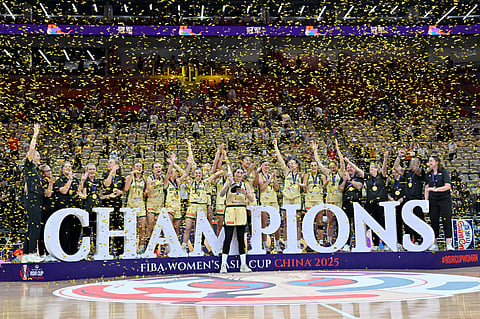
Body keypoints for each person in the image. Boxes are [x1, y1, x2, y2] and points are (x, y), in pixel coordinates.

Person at [345, 151, 389, 251]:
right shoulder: (367, 177)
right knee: (373, 224)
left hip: (382, 203)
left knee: (383, 223)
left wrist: (385, 158)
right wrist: (348, 161)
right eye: (370, 168)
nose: (371, 169)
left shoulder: (382, 176)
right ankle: (376, 243)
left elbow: (385, 168)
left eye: (372, 168)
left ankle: (386, 243)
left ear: (377, 169)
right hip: (371, 203)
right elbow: (356, 168)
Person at [219, 167, 253, 273]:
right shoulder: (228, 182)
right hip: (230, 210)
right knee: (228, 237)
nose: (239, 174)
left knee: (240, 238)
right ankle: (223, 264)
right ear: (234, 174)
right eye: (238, 172)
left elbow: (251, 199)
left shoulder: (245, 185)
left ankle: (243, 264)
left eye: (241, 172)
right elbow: (221, 194)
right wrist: (228, 184)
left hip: (241, 210)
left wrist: (244, 192)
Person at [273, 138, 306, 250]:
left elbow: (305, 187)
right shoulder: (287, 172)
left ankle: (297, 243)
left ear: (297, 165)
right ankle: (286, 243)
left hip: (296, 198)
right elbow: (280, 158)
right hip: (286, 198)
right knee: (286, 223)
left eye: (292, 163)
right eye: (289, 163)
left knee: (297, 222)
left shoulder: (301, 175)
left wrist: (301, 185)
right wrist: (276, 146)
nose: (290, 165)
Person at [182, 166, 222, 254]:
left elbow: (214, 175)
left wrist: (223, 170)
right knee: (187, 227)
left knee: (198, 230)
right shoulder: (190, 182)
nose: (198, 174)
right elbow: (183, 173)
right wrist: (176, 164)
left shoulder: (205, 182)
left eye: (199, 173)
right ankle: (184, 247)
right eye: (196, 173)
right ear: (194, 174)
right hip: (192, 205)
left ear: (202, 174)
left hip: (202, 207)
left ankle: (198, 247)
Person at [313, 139, 345, 246]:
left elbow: (342, 161)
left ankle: (341, 241)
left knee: (340, 222)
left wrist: (337, 148)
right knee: (330, 222)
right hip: (330, 200)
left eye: (333, 167)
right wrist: (315, 151)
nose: (332, 169)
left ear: (336, 167)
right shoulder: (328, 173)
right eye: (330, 167)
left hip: (339, 200)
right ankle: (330, 241)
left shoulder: (340, 172)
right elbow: (319, 163)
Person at [22, 123, 45, 263]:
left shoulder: (35, 171)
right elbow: (31, 149)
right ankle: (31, 252)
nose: (39, 157)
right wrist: (35, 134)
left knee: (32, 225)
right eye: (37, 155)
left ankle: (26, 253)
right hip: (32, 198)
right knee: (35, 225)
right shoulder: (29, 166)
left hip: (34, 198)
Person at [394, 151, 425, 245]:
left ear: (418, 163)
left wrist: (412, 157)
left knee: (418, 222)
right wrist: (399, 156)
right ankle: (410, 241)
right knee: (407, 223)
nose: (411, 163)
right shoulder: (407, 173)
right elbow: (396, 167)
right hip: (407, 201)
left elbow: (415, 168)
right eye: (411, 161)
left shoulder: (421, 172)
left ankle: (419, 240)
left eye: (413, 161)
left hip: (417, 201)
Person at [424, 155, 454, 251]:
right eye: (429, 161)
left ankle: (448, 244)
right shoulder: (428, 174)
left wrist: (435, 189)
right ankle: (434, 244)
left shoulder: (444, 172)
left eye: (431, 161)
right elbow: (426, 188)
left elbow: (447, 186)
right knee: (434, 221)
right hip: (433, 200)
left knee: (446, 220)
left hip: (444, 199)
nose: (430, 163)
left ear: (436, 162)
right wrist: (426, 201)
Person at [54, 161, 82, 255]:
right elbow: (64, 191)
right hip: (63, 209)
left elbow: (79, 191)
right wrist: (69, 180)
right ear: (62, 169)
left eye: (70, 166)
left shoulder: (75, 180)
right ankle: (64, 252)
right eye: (66, 167)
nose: (68, 168)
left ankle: (74, 251)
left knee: (76, 230)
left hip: (75, 209)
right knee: (65, 231)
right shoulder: (59, 180)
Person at [338, 159, 364, 252]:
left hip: (357, 204)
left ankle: (358, 243)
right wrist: (345, 181)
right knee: (346, 225)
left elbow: (359, 186)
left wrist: (350, 180)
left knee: (357, 225)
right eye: (348, 168)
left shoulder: (359, 177)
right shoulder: (343, 177)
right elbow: (340, 190)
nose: (349, 169)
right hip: (346, 204)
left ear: (354, 168)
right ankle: (346, 244)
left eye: (351, 167)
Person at [255, 160, 281, 253]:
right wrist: (271, 179)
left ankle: (277, 244)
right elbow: (262, 187)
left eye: (268, 165)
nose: (267, 166)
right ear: (261, 166)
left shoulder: (271, 175)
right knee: (264, 223)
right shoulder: (259, 175)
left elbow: (276, 188)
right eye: (265, 165)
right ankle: (265, 245)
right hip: (264, 200)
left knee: (276, 223)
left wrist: (275, 179)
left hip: (274, 200)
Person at [163, 153, 192, 237]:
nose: (177, 174)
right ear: (171, 174)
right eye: (175, 172)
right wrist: (172, 162)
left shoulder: (178, 182)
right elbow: (168, 172)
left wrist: (189, 164)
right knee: (169, 228)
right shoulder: (166, 182)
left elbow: (185, 174)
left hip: (177, 207)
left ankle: (176, 248)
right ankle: (168, 248)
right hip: (169, 207)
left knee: (176, 229)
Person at [102, 158, 125, 256]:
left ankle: (119, 251)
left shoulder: (121, 177)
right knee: (106, 228)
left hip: (117, 205)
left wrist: (120, 192)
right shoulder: (105, 175)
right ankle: (106, 251)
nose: (108, 164)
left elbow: (124, 191)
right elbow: (107, 184)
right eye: (108, 163)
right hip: (106, 205)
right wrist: (112, 171)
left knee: (118, 228)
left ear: (117, 165)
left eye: (110, 163)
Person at [78, 163, 103, 255]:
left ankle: (97, 250)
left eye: (93, 169)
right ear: (87, 171)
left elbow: (100, 195)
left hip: (98, 208)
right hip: (87, 208)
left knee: (97, 229)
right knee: (87, 229)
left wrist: (109, 196)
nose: (92, 171)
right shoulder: (84, 181)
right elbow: (80, 192)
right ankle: (86, 250)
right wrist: (82, 181)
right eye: (90, 169)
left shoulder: (98, 182)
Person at [124, 162, 147, 254]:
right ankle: (130, 247)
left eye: (140, 166)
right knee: (130, 228)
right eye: (137, 166)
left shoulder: (144, 180)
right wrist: (131, 175)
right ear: (133, 168)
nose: (139, 167)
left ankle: (141, 247)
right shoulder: (129, 178)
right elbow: (125, 189)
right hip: (130, 206)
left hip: (140, 205)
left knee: (142, 228)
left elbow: (145, 193)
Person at [303, 158, 327, 247]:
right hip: (309, 200)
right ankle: (310, 242)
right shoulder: (306, 175)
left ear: (317, 167)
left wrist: (328, 180)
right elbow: (304, 187)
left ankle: (320, 241)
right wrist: (303, 186)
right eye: (311, 165)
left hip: (319, 200)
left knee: (319, 221)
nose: (313, 167)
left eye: (315, 165)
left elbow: (324, 185)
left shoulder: (322, 176)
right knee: (309, 222)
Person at [38, 164, 56, 262]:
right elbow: (48, 194)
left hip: (53, 209)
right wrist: (50, 183)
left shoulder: (53, 181)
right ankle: (42, 253)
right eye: (47, 171)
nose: (50, 172)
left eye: (50, 170)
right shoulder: (42, 182)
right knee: (43, 231)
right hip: (45, 210)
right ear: (43, 173)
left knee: (51, 232)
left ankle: (50, 252)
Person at [387, 164, 407, 251]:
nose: (394, 172)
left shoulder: (404, 180)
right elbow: (387, 192)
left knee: (406, 224)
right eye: (393, 170)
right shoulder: (391, 181)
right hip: (393, 206)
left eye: (396, 170)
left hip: (403, 205)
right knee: (397, 224)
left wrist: (402, 199)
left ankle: (409, 242)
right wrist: (391, 199)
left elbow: (407, 191)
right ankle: (398, 242)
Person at [145, 162, 164, 246]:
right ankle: (148, 245)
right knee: (151, 226)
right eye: (156, 167)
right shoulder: (149, 178)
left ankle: (156, 248)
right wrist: (152, 185)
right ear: (153, 170)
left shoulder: (163, 178)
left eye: (159, 167)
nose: (158, 168)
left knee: (158, 228)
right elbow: (148, 194)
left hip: (159, 205)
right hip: (151, 204)